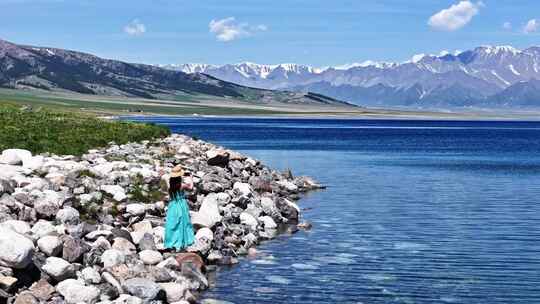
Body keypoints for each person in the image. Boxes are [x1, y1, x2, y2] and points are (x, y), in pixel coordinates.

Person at [164, 165, 195, 251]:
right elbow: (191, 188)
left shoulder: (169, 185)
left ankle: (171, 242)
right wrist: (191, 178)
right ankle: (182, 241)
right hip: (181, 204)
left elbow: (166, 178)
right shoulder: (181, 185)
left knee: (172, 223)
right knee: (183, 222)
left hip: (172, 205)